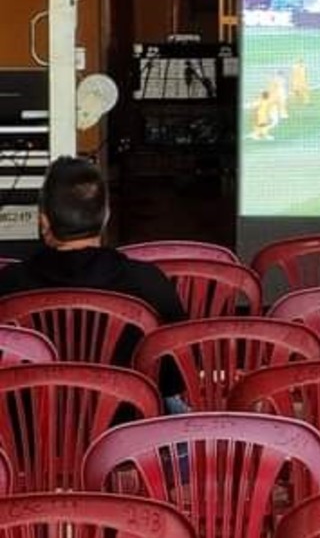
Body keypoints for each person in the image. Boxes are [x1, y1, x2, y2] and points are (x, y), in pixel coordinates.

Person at [0, 157, 188, 406]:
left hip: (26, 437)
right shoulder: (149, 283)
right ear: (106, 216)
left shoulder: (8, 286)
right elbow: (172, 379)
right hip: (126, 436)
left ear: (44, 221)